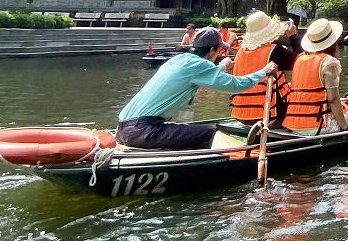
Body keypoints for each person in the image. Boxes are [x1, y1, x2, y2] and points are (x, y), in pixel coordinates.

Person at [117, 27, 277, 150]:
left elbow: (197, 75)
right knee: (207, 133)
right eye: (218, 49)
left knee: (194, 131)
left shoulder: (179, 59)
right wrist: (263, 72)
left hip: (123, 129)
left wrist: (220, 67)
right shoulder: (201, 65)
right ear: (213, 50)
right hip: (143, 131)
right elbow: (236, 85)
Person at [281, 18, 348, 135]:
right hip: (318, 125)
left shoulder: (299, 59)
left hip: (293, 123)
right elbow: (333, 99)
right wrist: (344, 127)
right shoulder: (329, 62)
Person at [229, 11, 301, 126]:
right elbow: (304, 62)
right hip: (269, 116)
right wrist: (293, 37)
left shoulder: (241, 51)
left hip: (240, 115)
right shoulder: (275, 51)